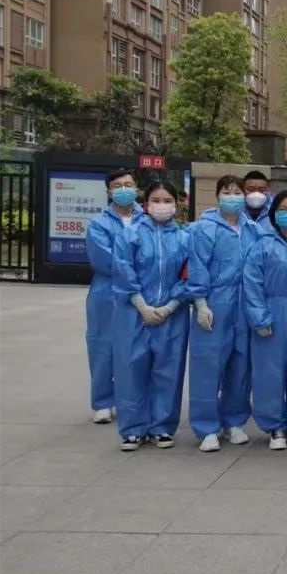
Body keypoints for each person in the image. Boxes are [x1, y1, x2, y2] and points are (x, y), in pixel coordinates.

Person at [188, 175, 265, 452]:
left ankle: (234, 421)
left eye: (237, 192)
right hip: (215, 303)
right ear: (218, 195)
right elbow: (197, 266)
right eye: (227, 191)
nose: (232, 196)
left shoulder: (254, 230)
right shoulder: (204, 229)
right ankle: (207, 427)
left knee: (241, 365)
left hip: (245, 304)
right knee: (208, 365)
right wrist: (200, 303)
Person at [111, 180, 190, 451]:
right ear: (145, 205)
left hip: (173, 314)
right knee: (131, 368)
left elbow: (189, 274)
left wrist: (170, 306)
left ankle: (162, 427)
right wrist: (142, 305)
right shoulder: (129, 235)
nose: (161, 205)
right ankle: (133, 429)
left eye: (167, 201)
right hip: (133, 313)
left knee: (168, 369)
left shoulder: (184, 238)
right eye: (156, 200)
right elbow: (123, 270)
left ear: (177, 205)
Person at [244, 190, 287, 451]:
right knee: (269, 370)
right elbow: (252, 283)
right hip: (274, 310)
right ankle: (275, 425)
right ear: (273, 214)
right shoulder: (263, 245)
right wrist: (260, 317)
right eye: (283, 209)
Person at [85, 169, 143, 424]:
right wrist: (135, 270)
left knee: (135, 349)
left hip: (142, 291)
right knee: (103, 346)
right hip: (106, 291)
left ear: (137, 188)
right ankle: (103, 402)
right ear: (108, 192)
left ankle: (131, 399)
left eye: (128, 184)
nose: (124, 189)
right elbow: (103, 259)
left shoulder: (147, 219)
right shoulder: (99, 224)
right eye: (118, 186)